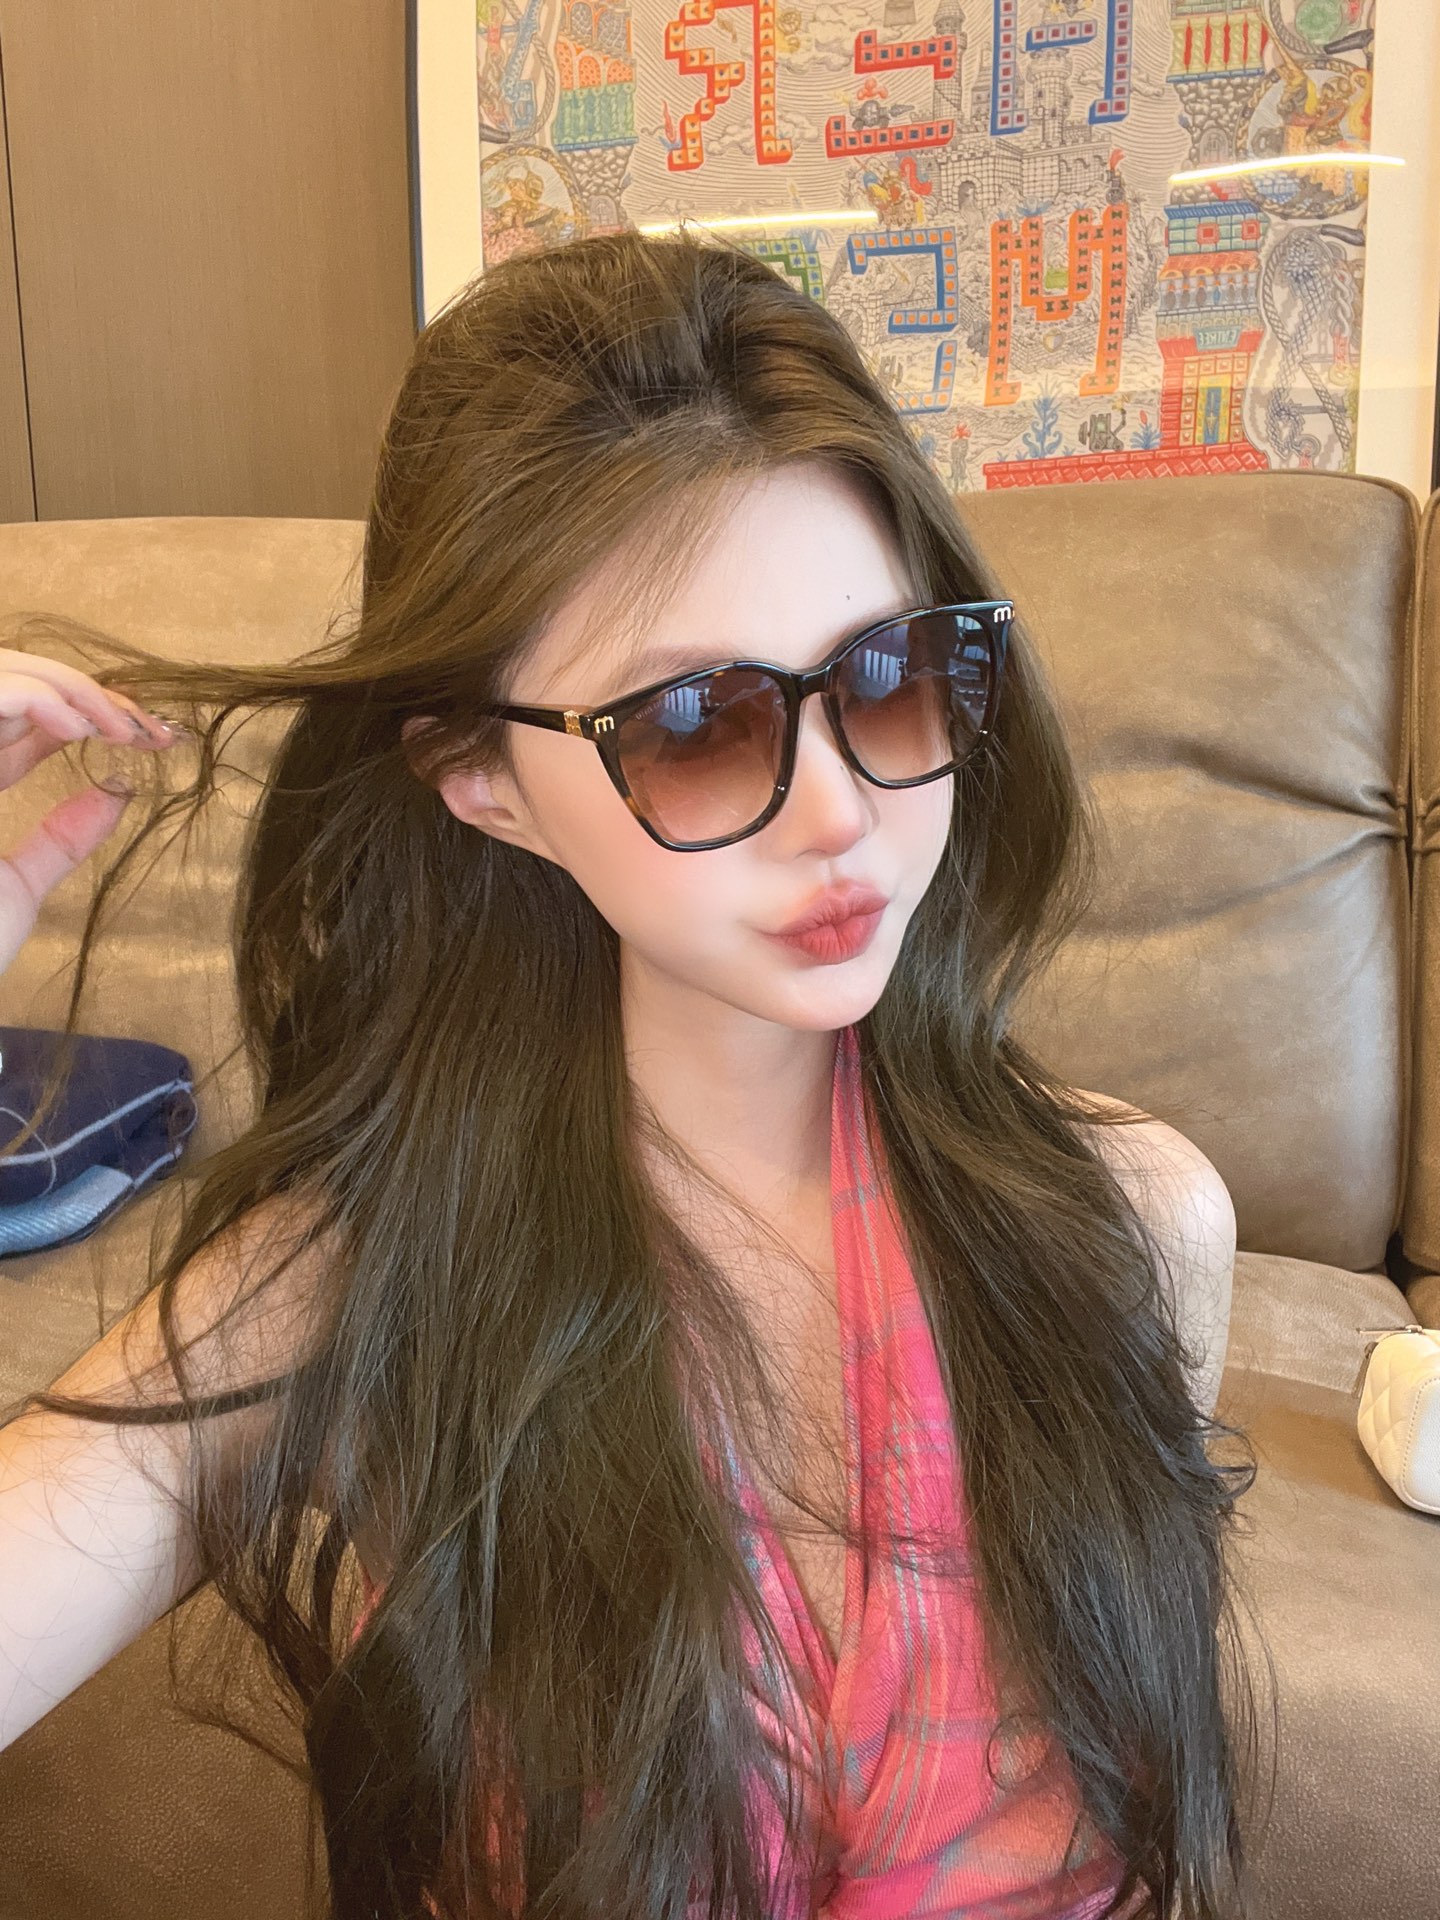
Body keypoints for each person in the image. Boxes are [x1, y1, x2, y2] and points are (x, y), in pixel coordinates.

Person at [0, 230, 1269, 1920]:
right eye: (696, 723)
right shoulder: (352, 1294)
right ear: (481, 782)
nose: (844, 814)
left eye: (887, 676)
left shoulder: (1134, 1225)